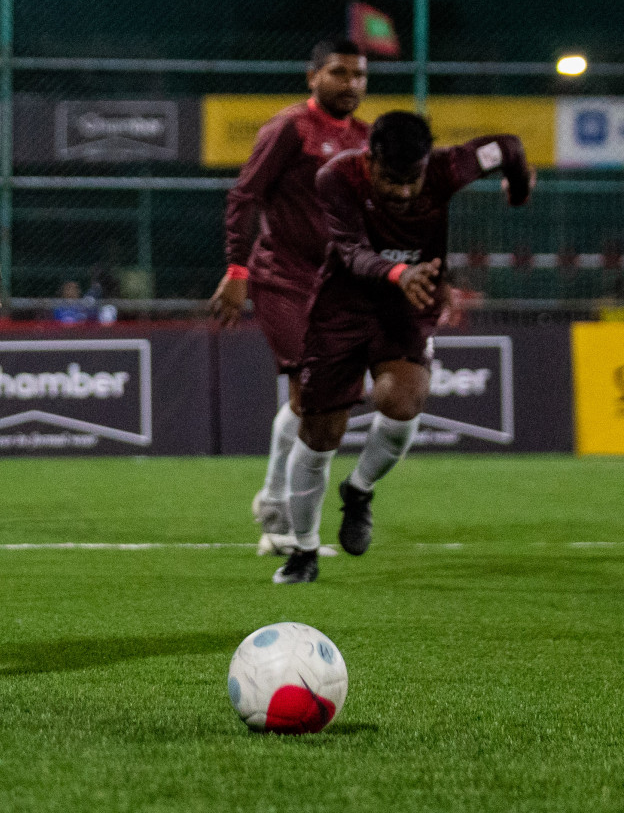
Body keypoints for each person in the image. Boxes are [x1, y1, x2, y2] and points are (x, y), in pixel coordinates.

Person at [274, 112, 533, 585]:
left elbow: (511, 146)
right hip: (342, 309)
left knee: (403, 400)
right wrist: (398, 273)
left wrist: (518, 189)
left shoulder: (449, 167)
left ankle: (360, 490)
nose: (403, 192)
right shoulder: (336, 177)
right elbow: (349, 251)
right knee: (320, 435)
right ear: (370, 160)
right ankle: (304, 550)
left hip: (409, 309)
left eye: (411, 180)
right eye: (392, 181)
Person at [209, 39, 370, 556]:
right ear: (313, 77)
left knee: (319, 401)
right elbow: (245, 195)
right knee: (310, 396)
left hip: (339, 287)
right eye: (340, 73)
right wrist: (237, 270)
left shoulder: (367, 139)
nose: (352, 84)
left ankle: (275, 502)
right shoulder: (290, 128)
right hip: (281, 278)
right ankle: (280, 519)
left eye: (360, 75)